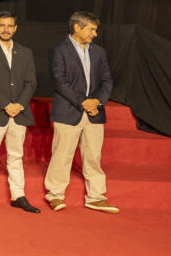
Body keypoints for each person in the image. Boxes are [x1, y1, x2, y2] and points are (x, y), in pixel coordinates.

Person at [44, 11, 118, 214]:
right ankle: (55, 194)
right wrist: (82, 102)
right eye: (92, 29)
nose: (95, 33)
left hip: (94, 113)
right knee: (62, 155)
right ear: (77, 27)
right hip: (68, 111)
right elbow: (59, 81)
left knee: (93, 156)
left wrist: (97, 101)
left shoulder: (99, 52)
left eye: (95, 30)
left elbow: (107, 81)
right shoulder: (58, 50)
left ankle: (96, 197)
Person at [0, 11, 39, 213]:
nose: (6, 29)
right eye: (2, 25)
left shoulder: (25, 52)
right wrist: (5, 104)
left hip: (19, 113)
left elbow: (31, 83)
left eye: (10, 25)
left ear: (15, 28)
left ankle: (18, 195)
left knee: (16, 156)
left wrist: (19, 105)